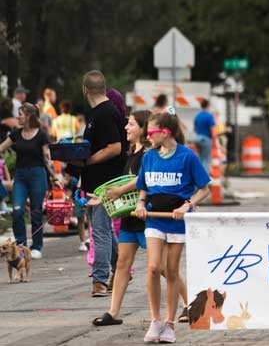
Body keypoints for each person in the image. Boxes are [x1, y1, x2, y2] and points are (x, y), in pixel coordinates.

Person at [92, 110, 190, 327]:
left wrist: (120, 191)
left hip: (148, 217)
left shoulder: (149, 154)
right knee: (122, 264)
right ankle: (113, 312)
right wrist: (102, 197)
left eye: (131, 124)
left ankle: (189, 303)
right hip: (130, 217)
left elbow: (140, 180)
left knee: (163, 267)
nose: (126, 128)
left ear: (143, 129)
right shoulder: (131, 153)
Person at [133, 110, 210, 344]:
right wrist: (140, 204)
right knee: (153, 267)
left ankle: (169, 324)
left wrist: (187, 205)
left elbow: (204, 189)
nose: (147, 137)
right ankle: (155, 320)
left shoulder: (187, 156)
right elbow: (143, 186)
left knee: (172, 271)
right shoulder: (149, 157)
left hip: (177, 222)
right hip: (154, 219)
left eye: (151, 133)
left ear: (165, 132)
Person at [78, 70, 127, 297]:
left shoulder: (105, 113)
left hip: (105, 184)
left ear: (85, 89)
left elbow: (114, 147)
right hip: (96, 182)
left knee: (99, 232)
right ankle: (121, 267)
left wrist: (87, 160)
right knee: (104, 229)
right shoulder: (99, 112)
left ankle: (99, 280)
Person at [0, 103, 57, 259]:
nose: (17, 117)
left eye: (20, 114)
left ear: (29, 116)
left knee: (36, 212)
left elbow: (47, 158)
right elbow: (1, 148)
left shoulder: (41, 135)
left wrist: (54, 176)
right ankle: (21, 246)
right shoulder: (16, 134)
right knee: (17, 210)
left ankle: (37, 246)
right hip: (21, 176)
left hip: (37, 175)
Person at [193, 99, 216, 174]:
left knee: (200, 158)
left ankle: (197, 176)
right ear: (208, 105)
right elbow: (213, 131)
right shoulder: (209, 116)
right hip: (206, 139)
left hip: (197, 138)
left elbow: (195, 129)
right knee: (206, 159)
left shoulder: (197, 116)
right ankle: (204, 178)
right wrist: (214, 142)